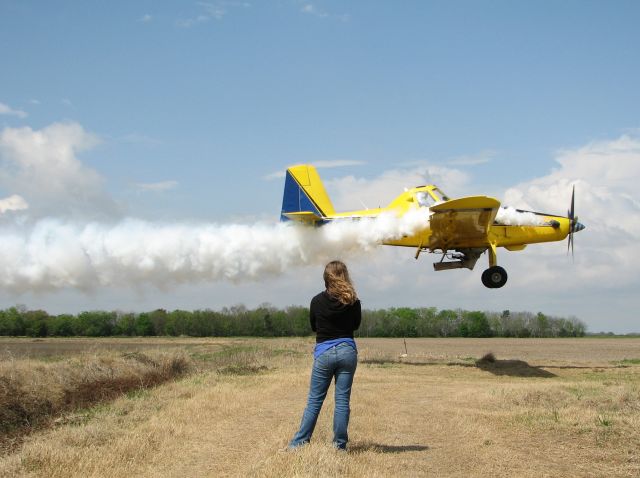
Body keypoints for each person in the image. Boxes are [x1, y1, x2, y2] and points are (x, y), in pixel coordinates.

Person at [288, 260, 361, 451]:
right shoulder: (353, 301)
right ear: (345, 276)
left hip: (324, 352)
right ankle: (339, 446)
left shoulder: (316, 301)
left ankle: (299, 443)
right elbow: (355, 325)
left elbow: (314, 327)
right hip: (347, 351)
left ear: (326, 277)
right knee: (342, 401)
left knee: (314, 400)